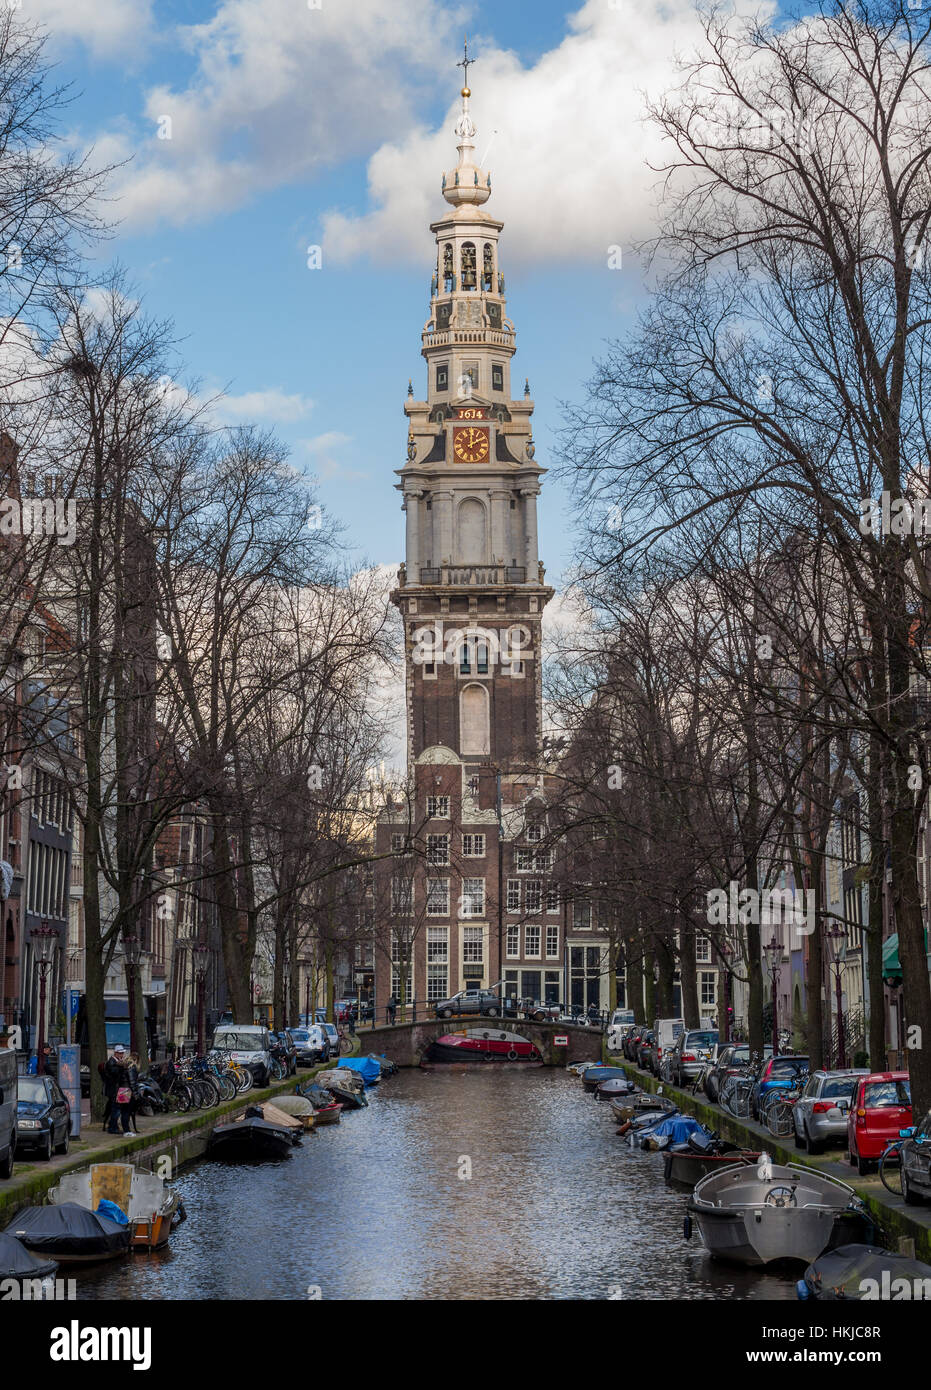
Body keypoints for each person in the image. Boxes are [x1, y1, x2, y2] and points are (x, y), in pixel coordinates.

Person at [104, 1046, 132, 1135]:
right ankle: (112, 1127)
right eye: (120, 1053)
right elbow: (114, 1073)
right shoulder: (111, 1062)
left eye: (122, 1053)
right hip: (115, 1090)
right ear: (115, 1053)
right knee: (116, 1109)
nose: (122, 1055)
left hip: (118, 1089)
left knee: (117, 1109)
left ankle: (113, 1126)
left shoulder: (116, 1062)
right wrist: (122, 1066)